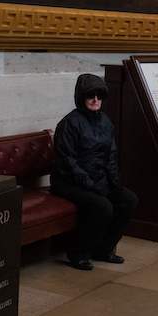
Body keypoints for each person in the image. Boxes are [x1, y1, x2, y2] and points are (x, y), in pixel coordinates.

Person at [51, 74, 138, 271]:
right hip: (69, 182)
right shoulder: (69, 123)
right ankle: (78, 252)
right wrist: (92, 185)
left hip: (97, 179)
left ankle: (104, 249)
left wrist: (114, 184)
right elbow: (67, 162)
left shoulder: (105, 122)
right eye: (91, 96)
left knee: (128, 200)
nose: (95, 100)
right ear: (81, 98)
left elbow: (111, 155)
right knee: (102, 206)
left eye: (99, 96)